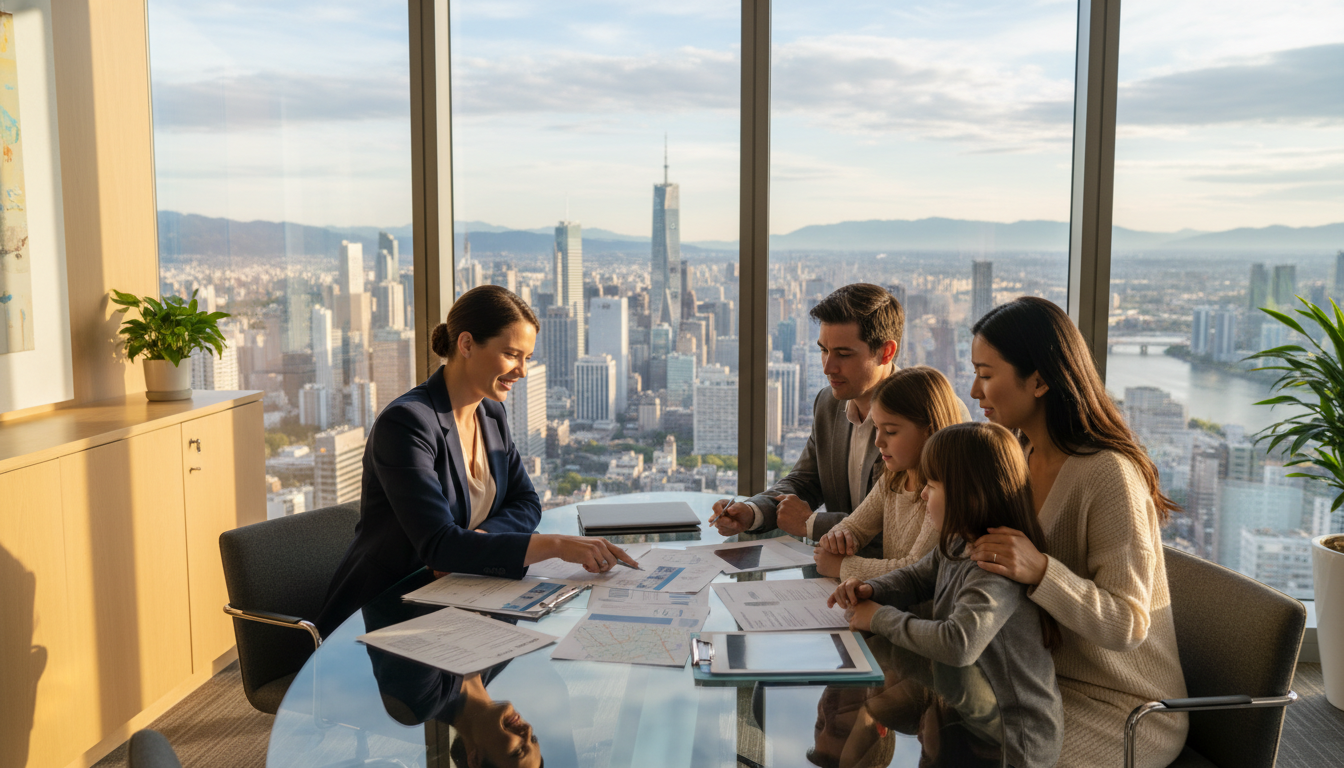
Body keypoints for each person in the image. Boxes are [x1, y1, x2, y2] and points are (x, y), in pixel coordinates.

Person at [316, 285, 636, 636]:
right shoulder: (407, 423)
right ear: (466, 344)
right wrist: (555, 545)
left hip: (465, 598)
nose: (522, 371)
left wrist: (477, 541)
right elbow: (439, 546)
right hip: (387, 616)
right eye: (512, 354)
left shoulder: (491, 414)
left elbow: (526, 502)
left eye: (527, 358)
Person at [963, 296, 1187, 767]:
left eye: (986, 375)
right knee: (927, 714)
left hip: (1123, 708)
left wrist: (1041, 571)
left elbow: (1129, 623)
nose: (974, 390)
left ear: (1039, 379)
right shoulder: (1017, 455)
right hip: (1036, 681)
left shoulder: (1109, 474)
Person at [829, 422, 1064, 768]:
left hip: (1012, 741)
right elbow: (917, 578)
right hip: (966, 713)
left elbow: (958, 644)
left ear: (969, 496)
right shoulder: (959, 540)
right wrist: (872, 589)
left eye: (933, 485)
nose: (923, 494)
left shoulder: (993, 566)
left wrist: (879, 617)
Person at [710, 284, 904, 552]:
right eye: (824, 350)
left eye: (843, 354)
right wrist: (753, 511)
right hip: (832, 575)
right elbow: (805, 482)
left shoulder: (921, 413)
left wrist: (811, 523)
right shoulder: (829, 403)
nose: (827, 367)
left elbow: (901, 525)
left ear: (886, 352)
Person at [813, 366, 965, 580]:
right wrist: (838, 537)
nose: (878, 441)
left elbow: (917, 569)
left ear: (929, 431)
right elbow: (855, 526)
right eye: (876, 428)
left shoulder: (945, 493)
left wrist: (842, 567)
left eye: (891, 432)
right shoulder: (894, 477)